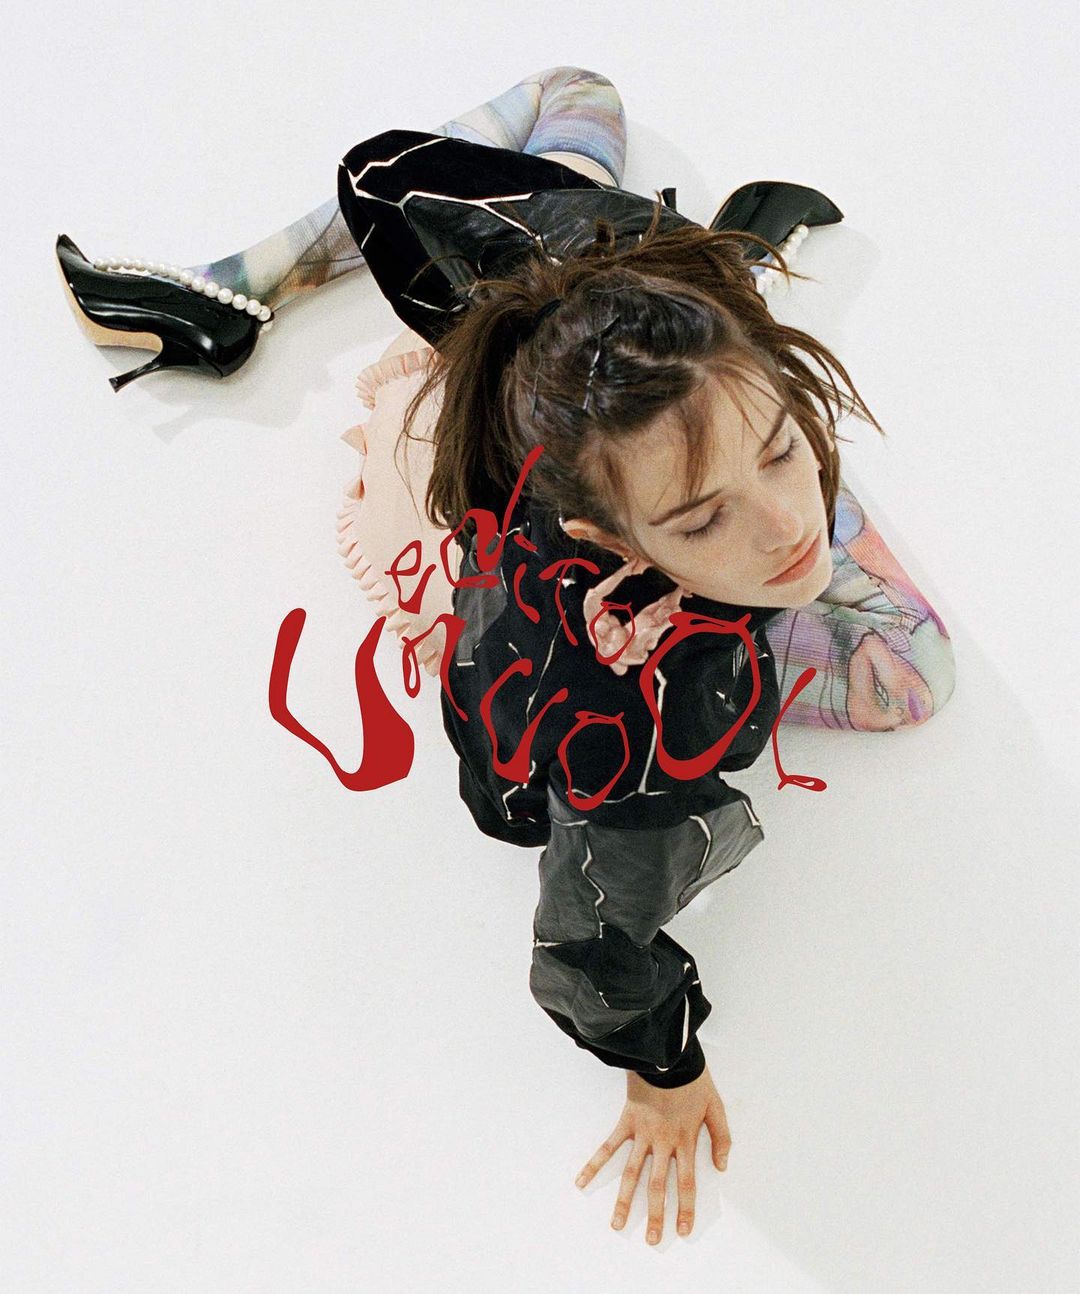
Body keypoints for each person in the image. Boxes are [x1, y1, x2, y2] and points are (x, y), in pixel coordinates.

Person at [54, 66, 957, 1246]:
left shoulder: (596, 270)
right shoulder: (630, 709)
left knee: (579, 93)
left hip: (577, 358)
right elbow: (585, 939)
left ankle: (222, 301)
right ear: (611, 541)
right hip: (517, 526)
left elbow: (377, 172)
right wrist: (664, 1069)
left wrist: (712, 340)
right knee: (917, 674)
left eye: (787, 449)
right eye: (704, 517)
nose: (792, 525)